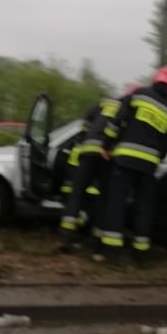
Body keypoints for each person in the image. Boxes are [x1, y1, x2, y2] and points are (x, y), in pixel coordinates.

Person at [96, 67, 167, 262]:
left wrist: (107, 145)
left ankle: (112, 251)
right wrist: (155, 158)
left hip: (124, 159)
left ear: (155, 80)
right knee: (144, 206)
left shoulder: (138, 95)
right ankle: (141, 253)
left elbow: (117, 121)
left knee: (117, 203)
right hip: (149, 165)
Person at [57, 92, 125, 251]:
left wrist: (84, 139)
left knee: (77, 193)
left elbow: (86, 124)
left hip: (87, 150)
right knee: (103, 198)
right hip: (106, 154)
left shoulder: (103, 103)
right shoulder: (126, 109)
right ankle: (96, 240)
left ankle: (66, 235)